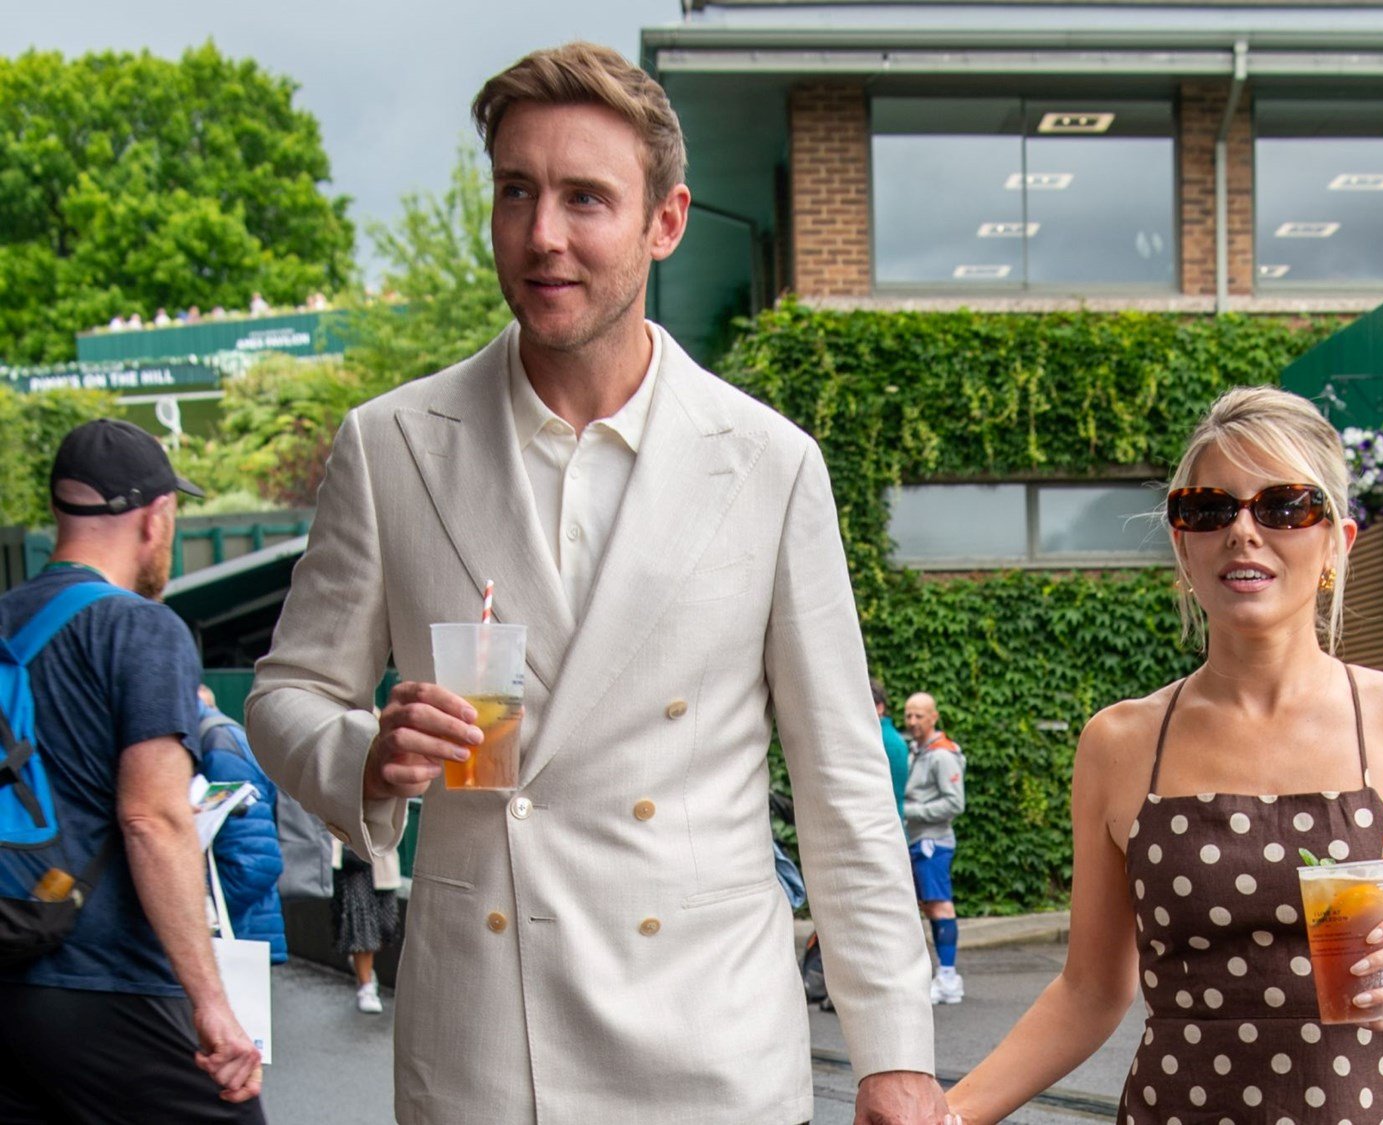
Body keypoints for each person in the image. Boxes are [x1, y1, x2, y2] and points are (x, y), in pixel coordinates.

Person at [244, 42, 940, 1124]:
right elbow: (285, 693)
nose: (541, 236)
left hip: (712, 1048)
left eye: (585, 199)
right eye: (515, 191)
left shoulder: (767, 461)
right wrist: (368, 760)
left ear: (665, 222)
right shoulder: (393, 445)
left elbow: (842, 777)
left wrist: (893, 1054)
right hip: (484, 1048)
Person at [943, 387, 1383, 1125]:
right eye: (1210, 509)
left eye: (1283, 507)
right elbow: (1089, 991)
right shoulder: (1120, 744)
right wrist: (948, 1116)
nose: (1243, 531)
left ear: (1337, 543)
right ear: (1184, 544)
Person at [0, 419, 263, 1120]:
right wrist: (212, 1004)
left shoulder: (6, 621)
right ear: (157, 517)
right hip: (104, 976)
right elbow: (152, 816)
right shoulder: (140, 627)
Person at [194, 686, 288, 966]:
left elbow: (256, 862)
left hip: (233, 934)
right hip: (236, 930)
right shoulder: (212, 740)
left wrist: (193, 916)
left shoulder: (218, 747)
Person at [903, 692, 967, 1005]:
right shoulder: (918, 751)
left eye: (919, 716)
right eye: (909, 715)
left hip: (933, 842)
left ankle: (948, 978)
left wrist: (907, 811)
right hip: (919, 840)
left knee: (940, 905)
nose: (912, 721)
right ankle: (943, 975)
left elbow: (955, 803)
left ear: (934, 717)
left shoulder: (942, 754)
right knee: (931, 906)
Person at [330, 832, 400, 1015]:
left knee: (388, 926)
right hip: (352, 856)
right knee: (360, 923)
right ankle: (366, 986)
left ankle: (361, 964)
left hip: (382, 854)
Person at [875, 678, 910, 820]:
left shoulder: (886, 741)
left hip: (884, 827)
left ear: (880, 707)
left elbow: (892, 796)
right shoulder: (881, 737)